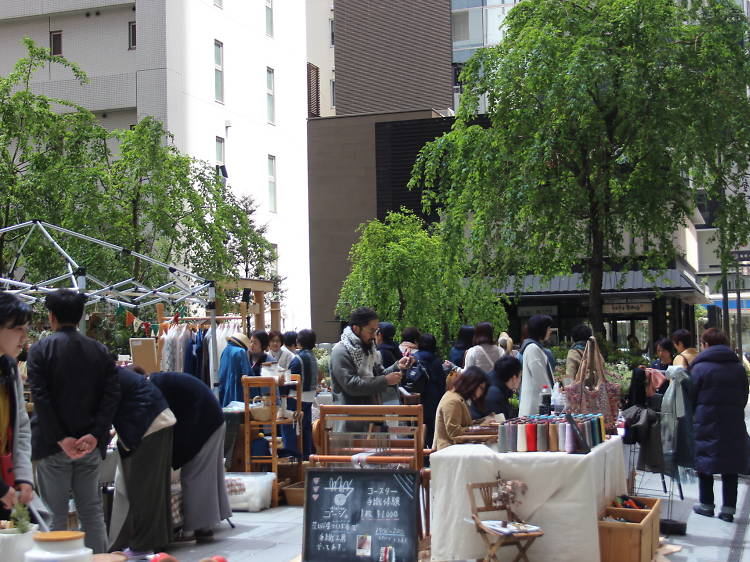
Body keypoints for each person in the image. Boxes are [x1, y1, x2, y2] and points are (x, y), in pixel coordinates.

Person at [27, 289, 120, 554]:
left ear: (52, 316)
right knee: (91, 511)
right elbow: (111, 396)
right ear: (80, 317)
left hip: (51, 444)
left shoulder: (40, 350)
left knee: (54, 515)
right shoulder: (100, 351)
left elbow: (41, 399)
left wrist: (61, 437)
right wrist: (95, 434)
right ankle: (99, 558)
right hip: (89, 445)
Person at [150, 372, 231, 542]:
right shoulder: (160, 381)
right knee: (209, 476)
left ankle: (191, 530)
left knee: (193, 476)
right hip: (213, 419)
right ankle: (205, 526)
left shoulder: (154, 387)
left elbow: (162, 419)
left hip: (205, 423)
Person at [109, 367, 175, 557]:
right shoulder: (116, 374)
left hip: (149, 425)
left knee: (144, 489)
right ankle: (158, 542)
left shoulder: (106, 376)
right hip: (159, 421)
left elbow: (106, 409)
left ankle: (143, 545)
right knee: (155, 489)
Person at [690, 328, 749, 523]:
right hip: (733, 422)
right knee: (730, 464)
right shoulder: (738, 368)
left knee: (705, 461)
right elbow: (744, 396)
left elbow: (691, 396)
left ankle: (707, 505)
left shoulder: (699, 368)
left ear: (706, 345)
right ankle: (728, 510)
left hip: (706, 421)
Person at [330, 308, 412, 430]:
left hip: (373, 419)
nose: (374, 336)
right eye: (371, 331)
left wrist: (397, 366)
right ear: (356, 329)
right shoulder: (341, 351)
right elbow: (352, 385)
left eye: (376, 331)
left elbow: (380, 374)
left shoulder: (369, 349)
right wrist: (385, 380)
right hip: (351, 424)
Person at [0, 293, 34, 519]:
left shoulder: (9, 369)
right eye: (18, 329)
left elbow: (21, 427)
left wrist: (23, 477)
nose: (24, 337)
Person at [282, 329, 319, 458]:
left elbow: (290, 381)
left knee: (290, 427)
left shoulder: (298, 359)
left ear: (298, 342)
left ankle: (292, 457)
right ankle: (306, 458)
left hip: (296, 398)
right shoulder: (313, 357)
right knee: (305, 429)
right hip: (310, 397)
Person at [433, 366, 488, 450]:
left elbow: (464, 425)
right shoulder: (453, 400)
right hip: (448, 452)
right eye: (481, 388)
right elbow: (454, 433)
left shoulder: (457, 397)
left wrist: (482, 423)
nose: (482, 393)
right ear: (473, 385)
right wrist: (480, 428)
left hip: (456, 449)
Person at [413, 334, 447, 448]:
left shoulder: (414, 357)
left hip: (417, 398)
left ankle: (419, 454)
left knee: (418, 428)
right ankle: (430, 454)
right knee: (432, 429)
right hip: (434, 399)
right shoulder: (437, 361)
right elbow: (442, 382)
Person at [518, 314, 554, 416]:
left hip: (536, 408)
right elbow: (542, 381)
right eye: (548, 328)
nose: (550, 331)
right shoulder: (533, 349)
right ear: (541, 330)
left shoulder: (534, 348)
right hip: (535, 409)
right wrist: (554, 397)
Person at [217, 332, 252, 407]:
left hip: (224, 387)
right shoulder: (241, 352)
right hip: (237, 390)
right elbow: (246, 373)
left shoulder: (225, 350)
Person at [484, 356, 522, 420]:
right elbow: (500, 424)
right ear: (514, 377)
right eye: (520, 376)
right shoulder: (494, 394)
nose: (521, 379)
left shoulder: (494, 381)